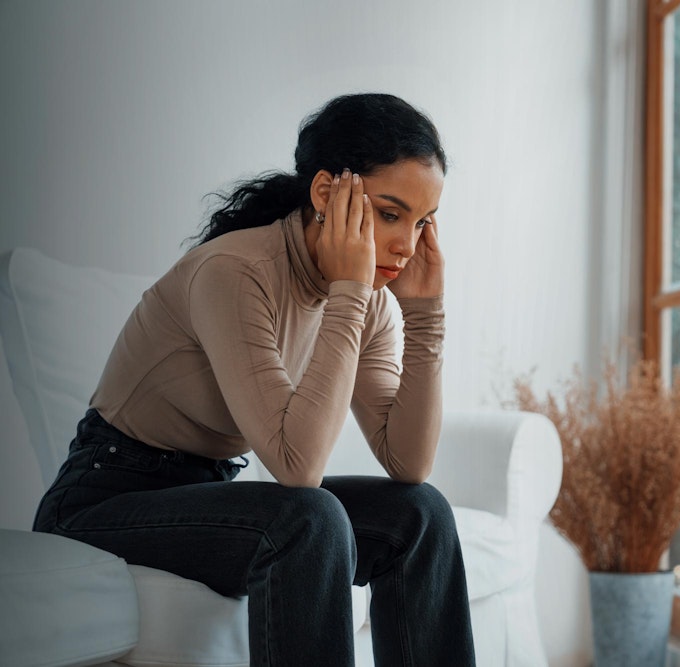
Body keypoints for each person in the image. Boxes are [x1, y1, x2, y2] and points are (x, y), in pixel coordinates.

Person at [32, 93, 476, 666]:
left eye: (422, 222)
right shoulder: (235, 271)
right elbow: (298, 466)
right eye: (391, 214)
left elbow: (409, 464)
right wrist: (348, 293)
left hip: (211, 495)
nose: (407, 245)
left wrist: (425, 314)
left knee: (421, 515)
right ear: (326, 194)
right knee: (309, 518)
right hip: (104, 500)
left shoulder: (371, 300)